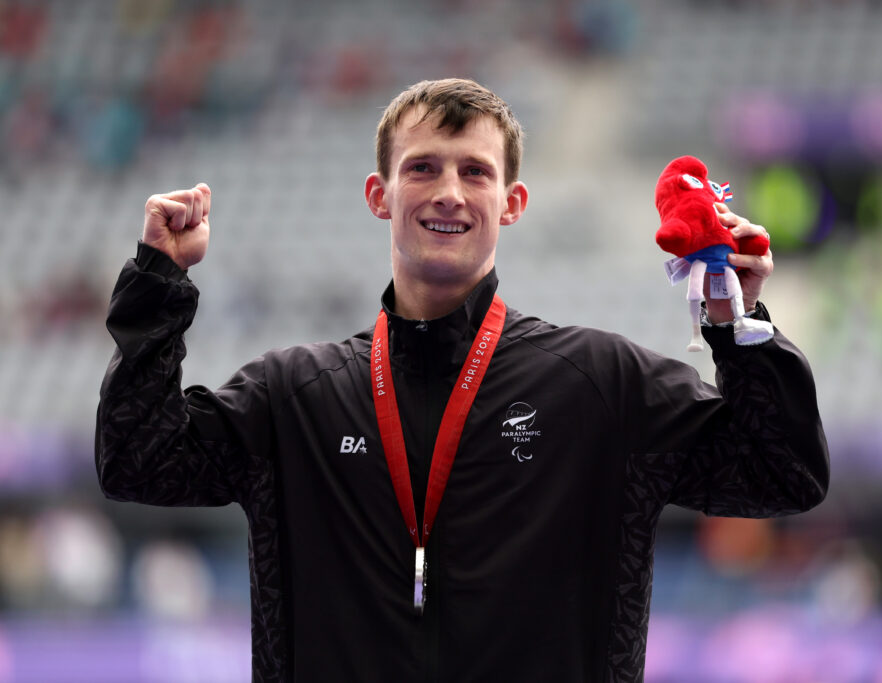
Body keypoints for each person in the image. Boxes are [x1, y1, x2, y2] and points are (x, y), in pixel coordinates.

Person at [96, 78, 829, 682]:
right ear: (379, 194)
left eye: (475, 171)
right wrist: (159, 283)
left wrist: (738, 325)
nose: (449, 190)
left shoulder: (600, 384)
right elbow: (139, 461)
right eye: (423, 166)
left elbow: (782, 472)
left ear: (511, 203)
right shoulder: (295, 395)